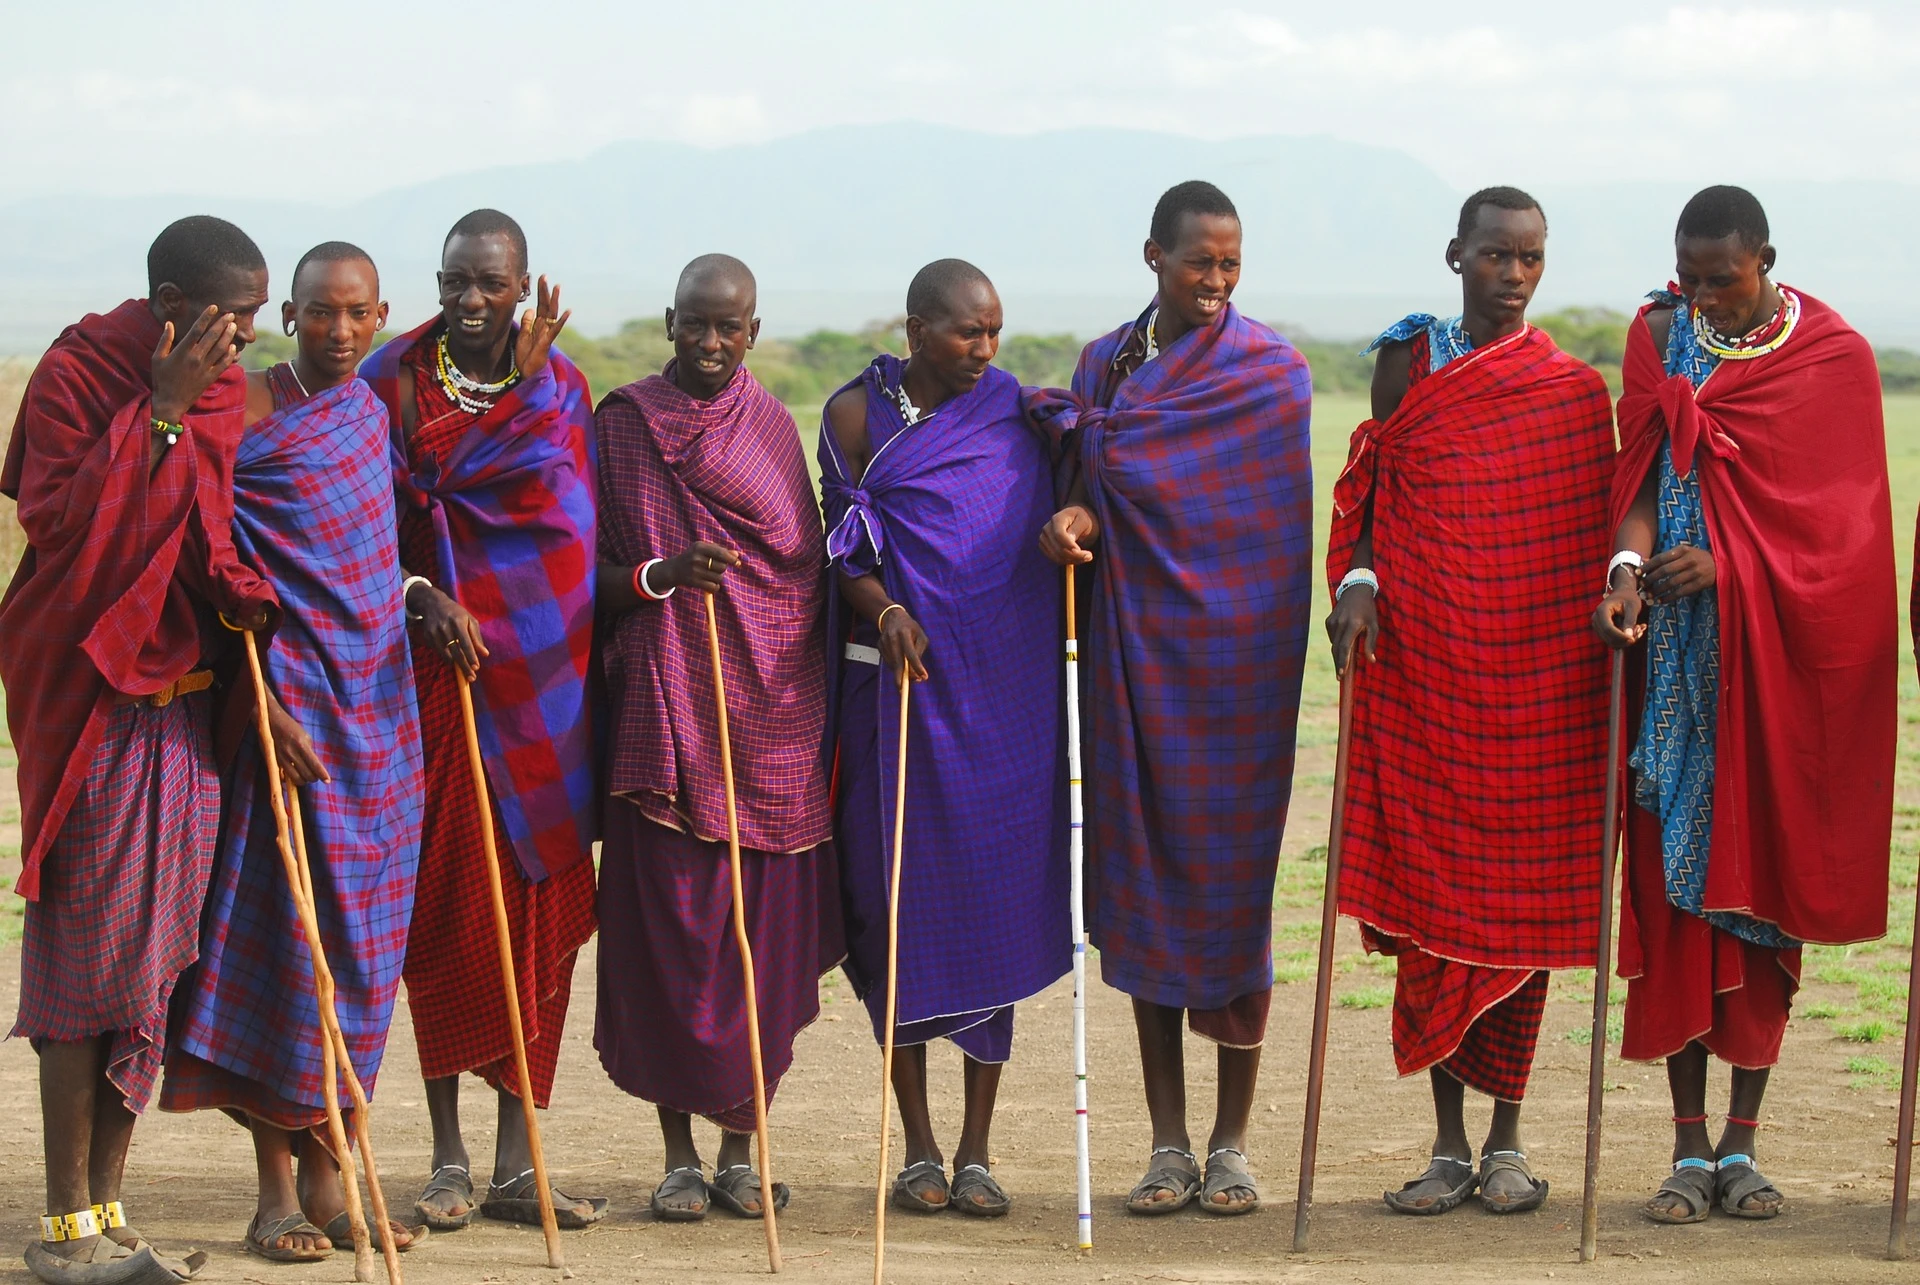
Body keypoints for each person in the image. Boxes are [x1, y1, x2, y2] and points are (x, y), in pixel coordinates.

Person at [1594, 185, 1896, 1224]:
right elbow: (1636, 475)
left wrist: (1726, 565)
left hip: (1776, 680)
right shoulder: (1657, 335)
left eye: (1724, 279)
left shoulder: (1834, 360)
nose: (1706, 299)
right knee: (1673, 907)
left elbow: (1847, 544)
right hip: (1669, 667)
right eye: (1691, 278)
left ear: (1767, 259)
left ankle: (1743, 1144)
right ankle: (1684, 1147)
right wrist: (1629, 566)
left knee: (1763, 906)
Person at [1325, 188, 1615, 1216]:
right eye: (1496, 254)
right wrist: (1356, 584)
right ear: (1457, 255)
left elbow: (1589, 541)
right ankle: (1447, 1144)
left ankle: (1507, 1142)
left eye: (1531, 257)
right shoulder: (1408, 364)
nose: (1514, 273)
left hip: (1536, 696)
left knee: (1520, 921)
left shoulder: (1577, 395)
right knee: (1431, 916)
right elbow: (1373, 492)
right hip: (1428, 681)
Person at [3, 215, 278, 1283]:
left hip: (182, 705)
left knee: (152, 961)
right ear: (173, 306)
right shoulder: (83, 373)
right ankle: (65, 1226)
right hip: (93, 706)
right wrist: (155, 410)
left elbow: (202, 528)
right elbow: (66, 534)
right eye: (234, 318)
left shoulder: (214, 388)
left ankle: (110, 1211)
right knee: (84, 957)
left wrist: (244, 599)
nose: (246, 342)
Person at [1031, 180, 1311, 1217]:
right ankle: (1164, 1142)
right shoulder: (1105, 364)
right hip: (1131, 658)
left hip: (1237, 670)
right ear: (1155, 255)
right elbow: (1080, 491)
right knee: (1139, 879)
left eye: (1233, 264)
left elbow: (1271, 532)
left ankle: (1232, 1145)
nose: (1219, 282)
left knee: (1234, 893)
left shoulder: (1271, 374)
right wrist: (1070, 521)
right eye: (1202, 263)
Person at [160, 243, 428, 1261]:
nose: (342, 331)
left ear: (381, 313)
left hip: (382, 723)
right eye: (321, 313)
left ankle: (339, 1159)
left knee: (363, 950)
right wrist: (256, 699)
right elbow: (211, 560)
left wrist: (419, 595)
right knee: (284, 937)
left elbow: (369, 555)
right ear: (290, 316)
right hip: (291, 718)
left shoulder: (369, 414)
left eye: (360, 313)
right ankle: (278, 1189)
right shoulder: (252, 417)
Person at [360, 209, 607, 1232]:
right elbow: (360, 524)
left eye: (489, 285)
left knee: (536, 920)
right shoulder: (392, 381)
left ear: (522, 287)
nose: (469, 302)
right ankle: (449, 1156)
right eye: (455, 281)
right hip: (428, 679)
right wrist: (421, 592)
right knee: (445, 911)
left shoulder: (564, 389)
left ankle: (518, 1161)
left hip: (541, 693)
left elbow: (569, 538)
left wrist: (525, 394)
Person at [592, 254, 841, 1221]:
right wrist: (663, 574)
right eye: (693, 323)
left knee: (754, 945)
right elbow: (594, 574)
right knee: (671, 943)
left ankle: (745, 1148)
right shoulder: (623, 424)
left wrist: (757, 637)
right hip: (666, 713)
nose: (708, 341)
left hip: (769, 723)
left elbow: (801, 573)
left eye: (727, 327)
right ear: (668, 320)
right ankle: (678, 1154)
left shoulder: (773, 428)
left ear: (753, 331)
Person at [820, 259, 1068, 1217]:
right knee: (892, 910)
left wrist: (1074, 513)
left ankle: (976, 1149)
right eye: (969, 333)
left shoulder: (1017, 412)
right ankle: (916, 1142)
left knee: (990, 904)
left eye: (996, 331)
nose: (986, 350)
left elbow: (1072, 490)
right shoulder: (852, 418)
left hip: (1001, 698)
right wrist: (881, 610)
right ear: (917, 328)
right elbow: (844, 547)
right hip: (896, 697)